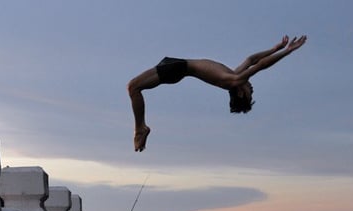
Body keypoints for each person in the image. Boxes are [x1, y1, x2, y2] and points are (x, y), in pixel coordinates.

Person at [127, 34, 307, 151]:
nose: (251, 88)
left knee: (133, 87)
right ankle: (140, 128)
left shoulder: (232, 81)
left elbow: (260, 66)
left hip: (179, 68)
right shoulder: (233, 74)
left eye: (250, 92)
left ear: (241, 94)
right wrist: (276, 48)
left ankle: (140, 128)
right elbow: (252, 59)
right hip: (178, 65)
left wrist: (288, 52)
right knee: (134, 87)